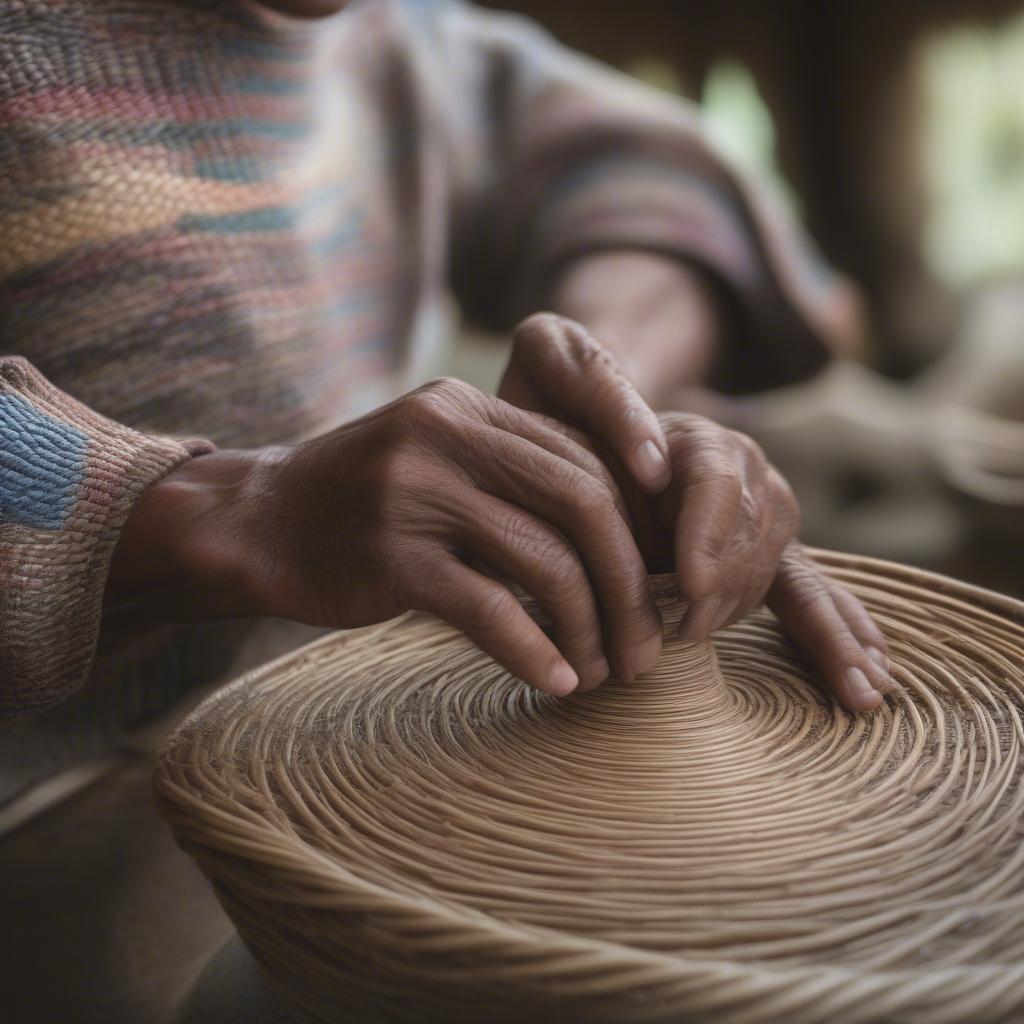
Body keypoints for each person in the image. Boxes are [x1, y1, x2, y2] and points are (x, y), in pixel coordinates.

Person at [0, 0, 892, 1019]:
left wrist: (604, 411)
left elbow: (645, 168)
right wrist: (228, 509)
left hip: (313, 725)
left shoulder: (393, 34)